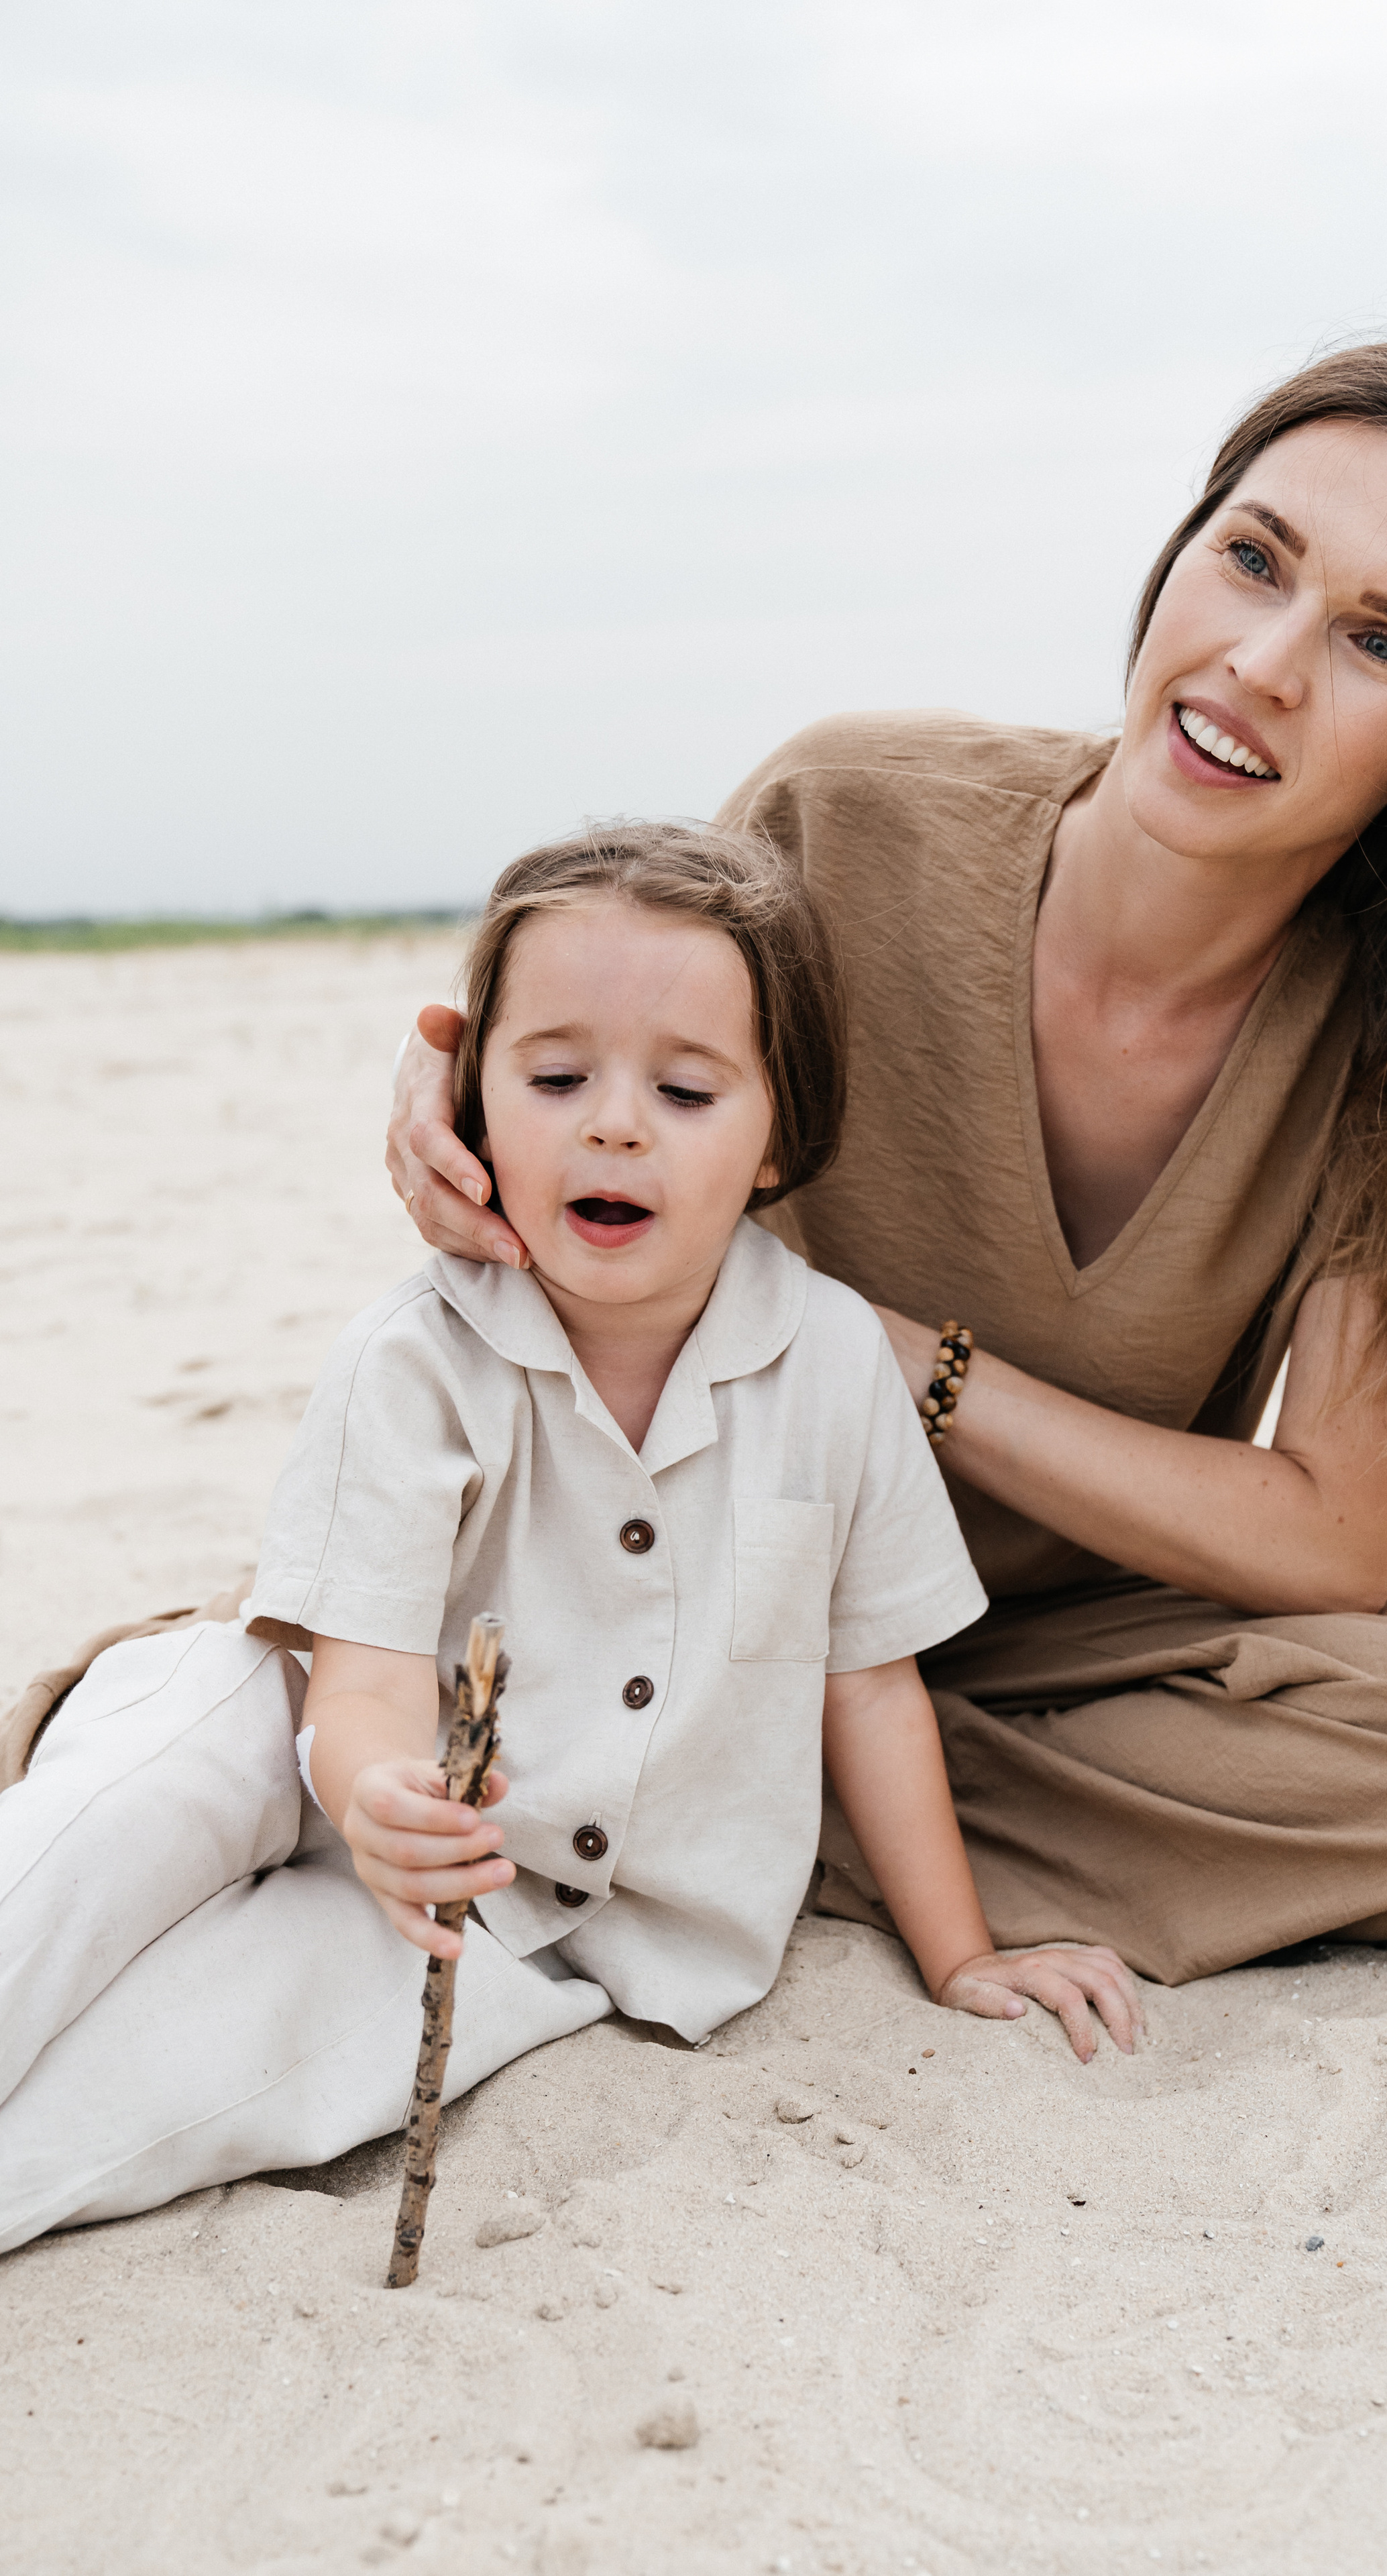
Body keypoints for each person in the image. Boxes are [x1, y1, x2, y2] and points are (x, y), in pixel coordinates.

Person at [390, 342, 1387, 1986]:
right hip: (681, 1591)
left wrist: (906, 1369)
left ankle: (718, 1817)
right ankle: (690, 1788)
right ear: (1177, 555)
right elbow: (578, 1077)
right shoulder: (843, 821)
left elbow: (1334, 1536)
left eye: (1374, 641)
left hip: (1036, 1662)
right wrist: (444, 1107)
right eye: (1251, 557)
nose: (1262, 662)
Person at [0, 824, 1138, 2257]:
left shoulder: (840, 1365)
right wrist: (374, 1799)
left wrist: (960, 1950)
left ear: (778, 1133)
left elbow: (867, 1684)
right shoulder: (417, 1357)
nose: (613, 1124)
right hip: (286, 1725)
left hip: (514, 1921)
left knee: (218, 2071)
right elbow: (350, 1687)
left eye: (681, 1088)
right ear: (468, 1104)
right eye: (553, 1079)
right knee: (112, 1836)